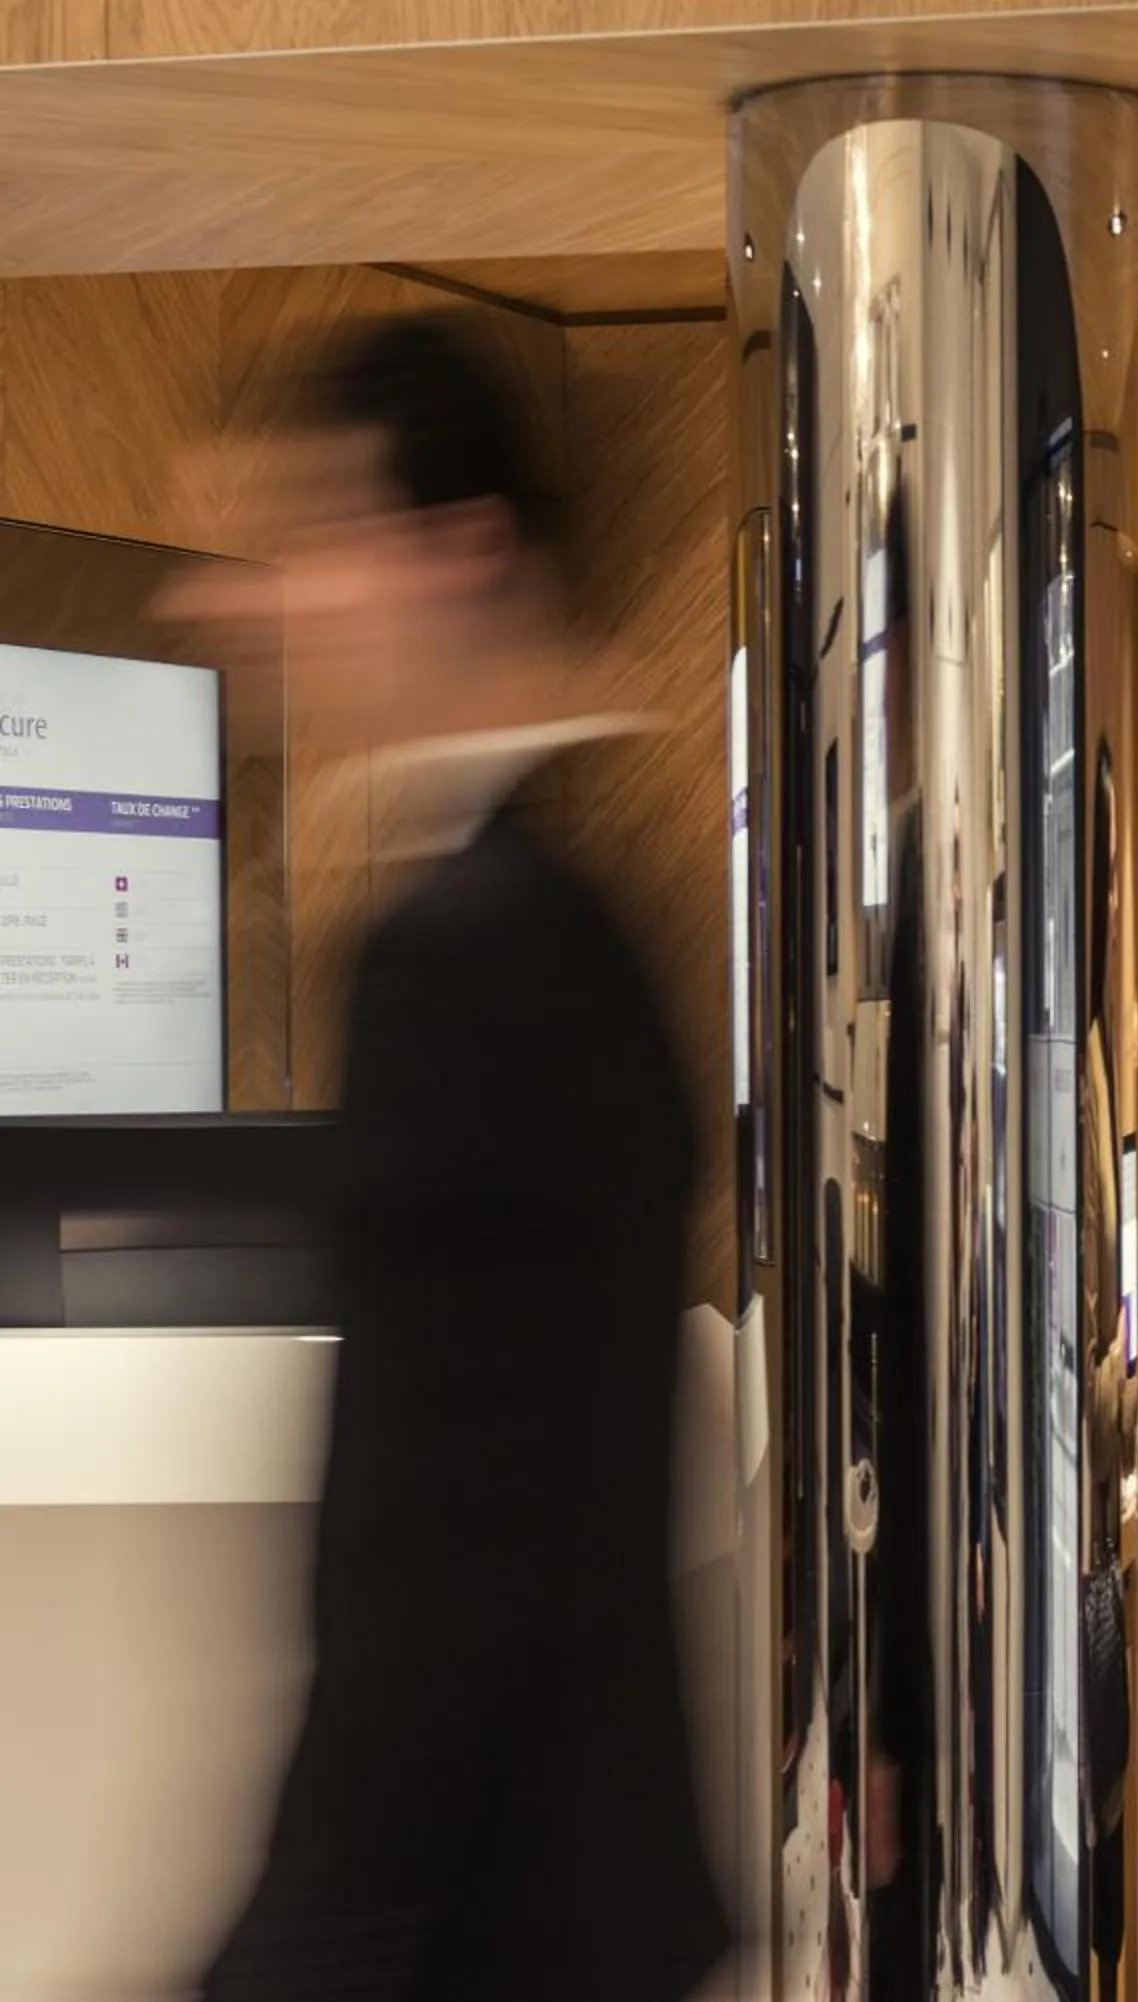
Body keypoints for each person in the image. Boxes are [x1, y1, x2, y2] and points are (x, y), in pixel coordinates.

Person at [181, 312, 728, 2002]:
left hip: (481, 1918)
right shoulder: (574, 918)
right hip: (573, 1890)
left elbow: (435, 1552)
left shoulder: (465, 949)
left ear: (463, 547)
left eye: (318, 537)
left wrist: (295, 1949)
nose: (262, 600)